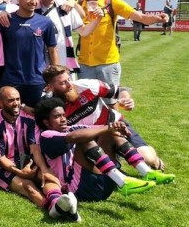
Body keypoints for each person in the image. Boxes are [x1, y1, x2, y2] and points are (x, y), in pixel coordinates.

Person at [34, 98, 175, 209]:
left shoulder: (72, 127)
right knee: (84, 139)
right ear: (46, 122)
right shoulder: (47, 136)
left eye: (64, 115)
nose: (63, 119)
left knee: (110, 134)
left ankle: (146, 172)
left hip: (103, 184)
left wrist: (116, 127)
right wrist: (109, 127)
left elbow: (100, 128)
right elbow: (75, 137)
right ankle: (123, 181)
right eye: (57, 117)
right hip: (80, 189)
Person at [42, 64, 170, 172]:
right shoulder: (49, 106)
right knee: (100, 171)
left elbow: (120, 90)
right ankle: (116, 156)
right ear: (50, 87)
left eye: (69, 79)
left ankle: (152, 157)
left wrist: (126, 99)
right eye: (62, 83)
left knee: (147, 159)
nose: (69, 84)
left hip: (116, 125)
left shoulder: (86, 85)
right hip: (91, 139)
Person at [77, 0, 167, 101]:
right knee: (86, 105)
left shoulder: (112, 3)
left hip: (107, 64)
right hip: (85, 65)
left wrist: (158, 18)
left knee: (110, 103)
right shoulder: (78, 5)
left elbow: (141, 17)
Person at [0, 87, 76, 220]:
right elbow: (0, 158)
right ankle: (53, 207)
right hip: (5, 165)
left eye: (17, 99)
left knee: (47, 176)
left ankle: (58, 202)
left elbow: (34, 148)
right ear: (1, 103)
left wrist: (43, 169)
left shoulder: (28, 118)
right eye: (11, 100)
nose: (16, 103)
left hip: (27, 161)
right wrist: (20, 172)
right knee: (29, 187)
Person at [0, 0, 57, 107]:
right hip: (11, 80)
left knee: (38, 114)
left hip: (37, 80)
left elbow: (52, 50)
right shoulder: (6, 21)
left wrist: (55, 77)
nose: (33, 1)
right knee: (11, 114)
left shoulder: (45, 22)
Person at [36, 0, 86, 78]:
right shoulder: (31, 10)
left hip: (64, 62)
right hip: (39, 64)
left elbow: (83, 27)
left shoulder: (64, 7)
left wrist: (73, 2)